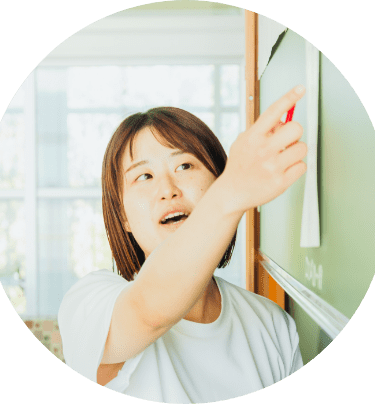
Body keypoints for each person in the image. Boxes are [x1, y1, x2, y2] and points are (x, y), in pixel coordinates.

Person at [58, 85, 307, 403]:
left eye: (185, 166)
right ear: (123, 217)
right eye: (144, 176)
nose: (168, 189)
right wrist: (232, 191)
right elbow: (148, 311)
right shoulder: (88, 303)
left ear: (217, 179)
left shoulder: (271, 325)